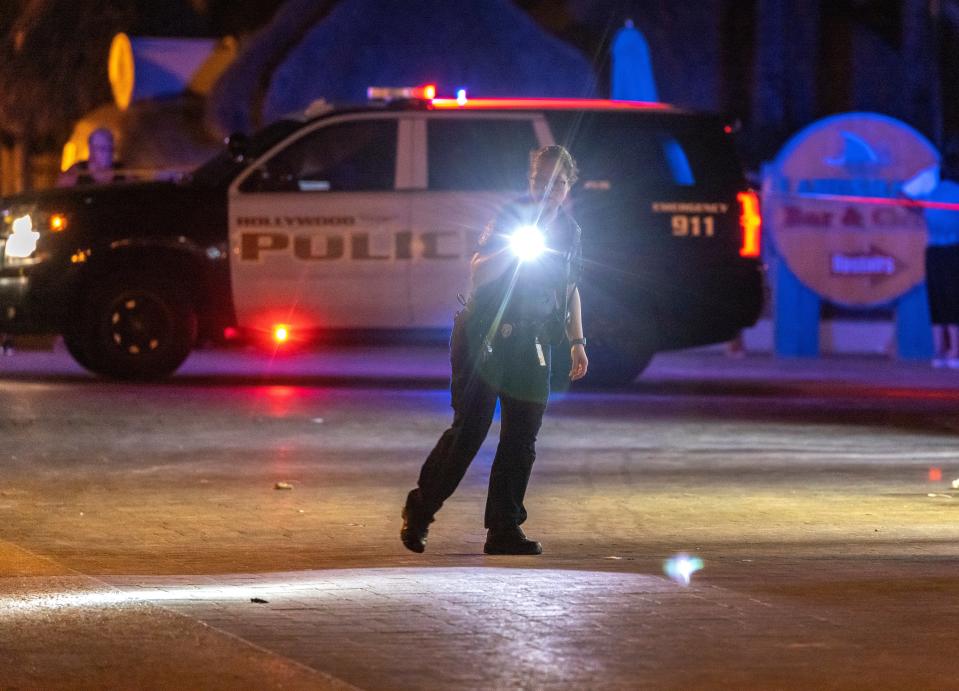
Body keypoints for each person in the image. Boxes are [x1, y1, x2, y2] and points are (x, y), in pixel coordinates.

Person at [401, 145, 588, 555]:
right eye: (542, 181)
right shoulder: (510, 218)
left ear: (568, 185)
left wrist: (577, 341)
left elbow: (571, 288)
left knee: (522, 437)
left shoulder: (570, 231)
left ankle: (504, 529)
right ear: (531, 182)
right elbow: (478, 270)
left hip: (534, 340)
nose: (549, 189)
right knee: (471, 430)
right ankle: (421, 510)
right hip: (485, 335)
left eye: (558, 182)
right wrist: (516, 251)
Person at [57, 128, 124, 187]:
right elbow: (60, 194)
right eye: (101, 148)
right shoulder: (76, 172)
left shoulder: (123, 172)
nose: (107, 152)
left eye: (109, 148)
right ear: (91, 151)